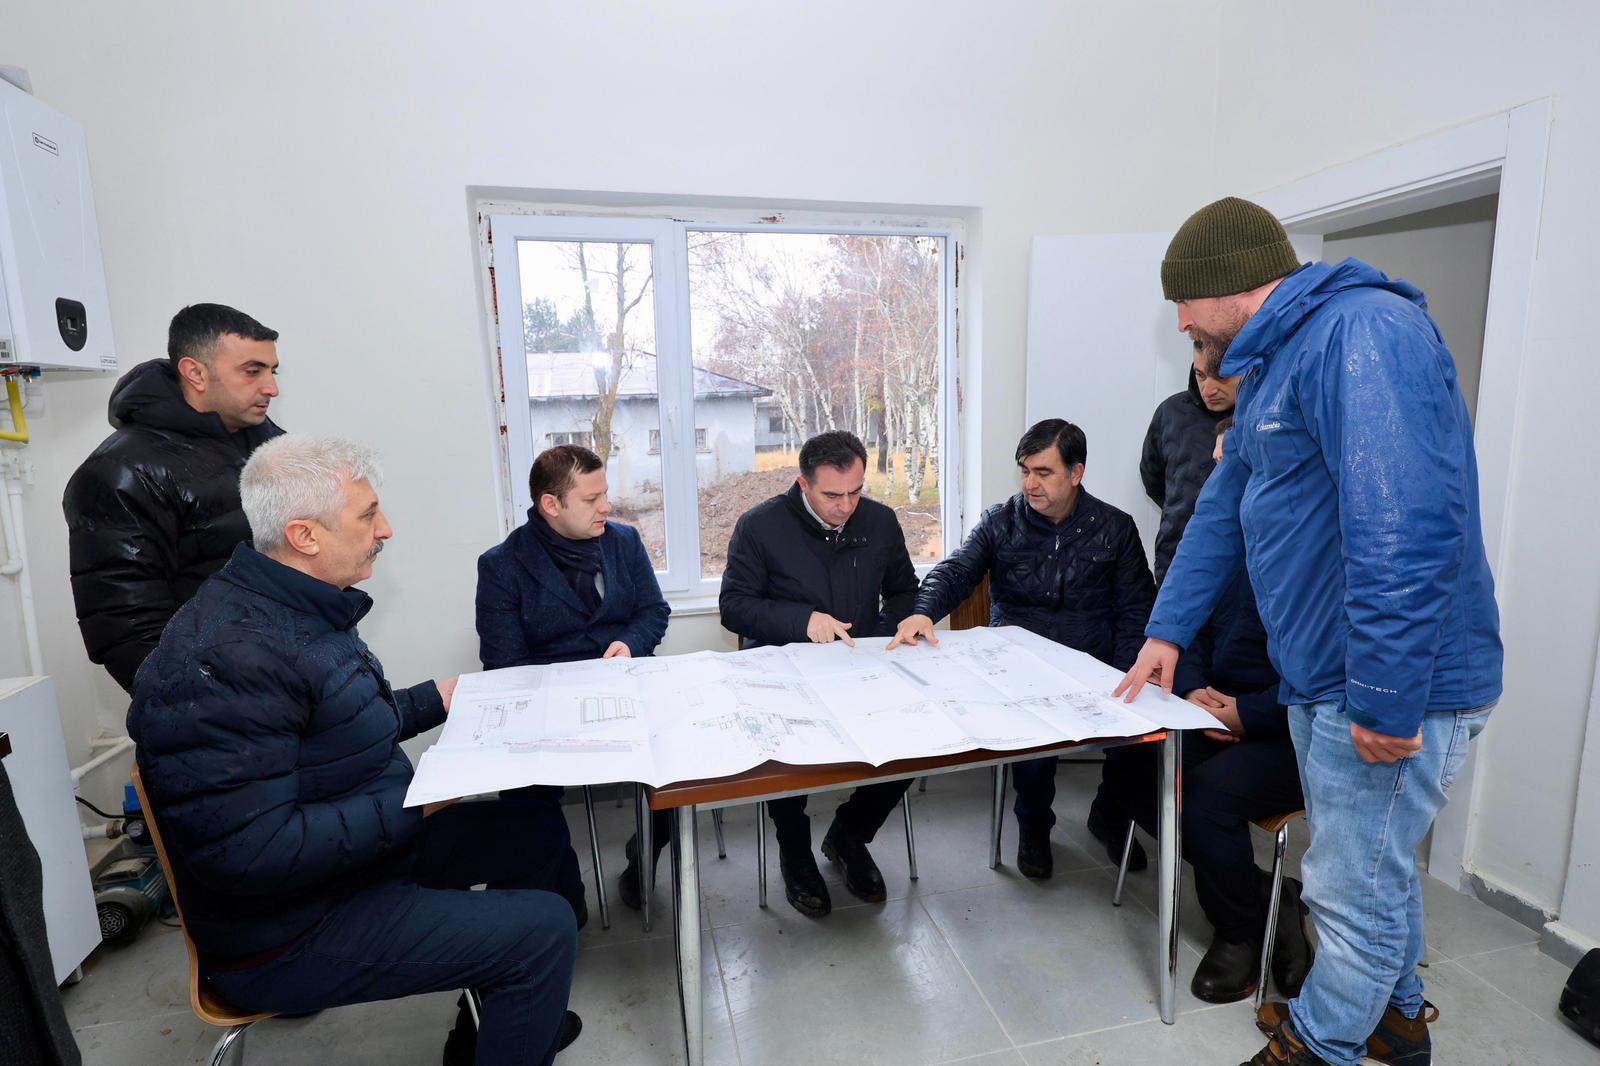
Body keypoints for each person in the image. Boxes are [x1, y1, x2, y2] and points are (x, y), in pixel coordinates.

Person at [1116, 197, 1502, 1066]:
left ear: (1233, 285)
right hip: (1324, 676)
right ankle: (1397, 1020)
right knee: (1376, 871)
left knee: (1345, 890)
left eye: (1184, 301)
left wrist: (1386, 697)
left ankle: (1319, 1044)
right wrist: (1168, 631)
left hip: (1390, 684)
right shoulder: (1275, 363)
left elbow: (1406, 530)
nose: (1179, 323)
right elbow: (1223, 509)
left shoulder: (1363, 336)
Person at [127, 436, 582, 1065]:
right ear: (304, 535)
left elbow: (337, 724)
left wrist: (442, 697)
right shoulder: (228, 656)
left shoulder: (290, 608)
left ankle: (489, 1034)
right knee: (543, 932)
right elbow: (255, 853)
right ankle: (517, 993)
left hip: (349, 869)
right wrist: (420, 801)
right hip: (285, 932)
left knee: (534, 830)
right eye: (368, 515)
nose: (385, 528)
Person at [888, 419, 1155, 880]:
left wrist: (1126, 674)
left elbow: (1136, 608)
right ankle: (1033, 827)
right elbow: (955, 572)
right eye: (1025, 471)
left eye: (1043, 472)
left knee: (1139, 742)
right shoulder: (1001, 521)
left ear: (1076, 473)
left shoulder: (1114, 527)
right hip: (1020, 669)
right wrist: (923, 612)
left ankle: (1110, 816)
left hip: (1095, 665)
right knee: (1033, 749)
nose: (1030, 483)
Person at [1106, 419, 1311, 1004]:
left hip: (1291, 726)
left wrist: (1248, 714)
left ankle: (1238, 931)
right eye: (1218, 465)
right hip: (1212, 706)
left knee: (1206, 798)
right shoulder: (1214, 542)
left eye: (1235, 465)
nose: (1221, 478)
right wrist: (1193, 692)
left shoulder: (1311, 545)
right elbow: (1183, 633)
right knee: (1131, 767)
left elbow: (1329, 673)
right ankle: (1267, 895)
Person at [719, 430, 919, 918]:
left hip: (860, 667)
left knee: (912, 738)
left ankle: (850, 835)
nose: (846, 506)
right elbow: (734, 607)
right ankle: (795, 851)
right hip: (785, 672)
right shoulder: (760, 526)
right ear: (803, 483)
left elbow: (904, 591)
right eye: (832, 495)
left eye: (856, 491)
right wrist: (802, 621)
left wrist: (887, 631)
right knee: (788, 753)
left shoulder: (879, 520)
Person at [476, 444, 671, 912]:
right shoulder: (502, 564)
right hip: (549, 708)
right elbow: (504, 664)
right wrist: (572, 695)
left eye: (605, 494)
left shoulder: (623, 541)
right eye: (591, 499)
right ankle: (560, 898)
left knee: (677, 764)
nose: (607, 506)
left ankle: (643, 857)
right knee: (525, 794)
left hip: (624, 691)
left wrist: (630, 643)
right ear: (551, 504)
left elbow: (653, 611)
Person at [63, 303, 284, 692]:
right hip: (219, 701)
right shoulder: (121, 472)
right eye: (253, 371)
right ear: (195, 373)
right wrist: (216, 705)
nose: (271, 388)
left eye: (272, 371)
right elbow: (129, 632)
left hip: (287, 676)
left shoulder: (269, 445)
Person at [1140, 338, 1238, 584]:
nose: (1208, 389)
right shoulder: (1170, 412)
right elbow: (1153, 480)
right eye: (1201, 375)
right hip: (1176, 565)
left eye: (1221, 377)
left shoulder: (1261, 417)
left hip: (1241, 571)